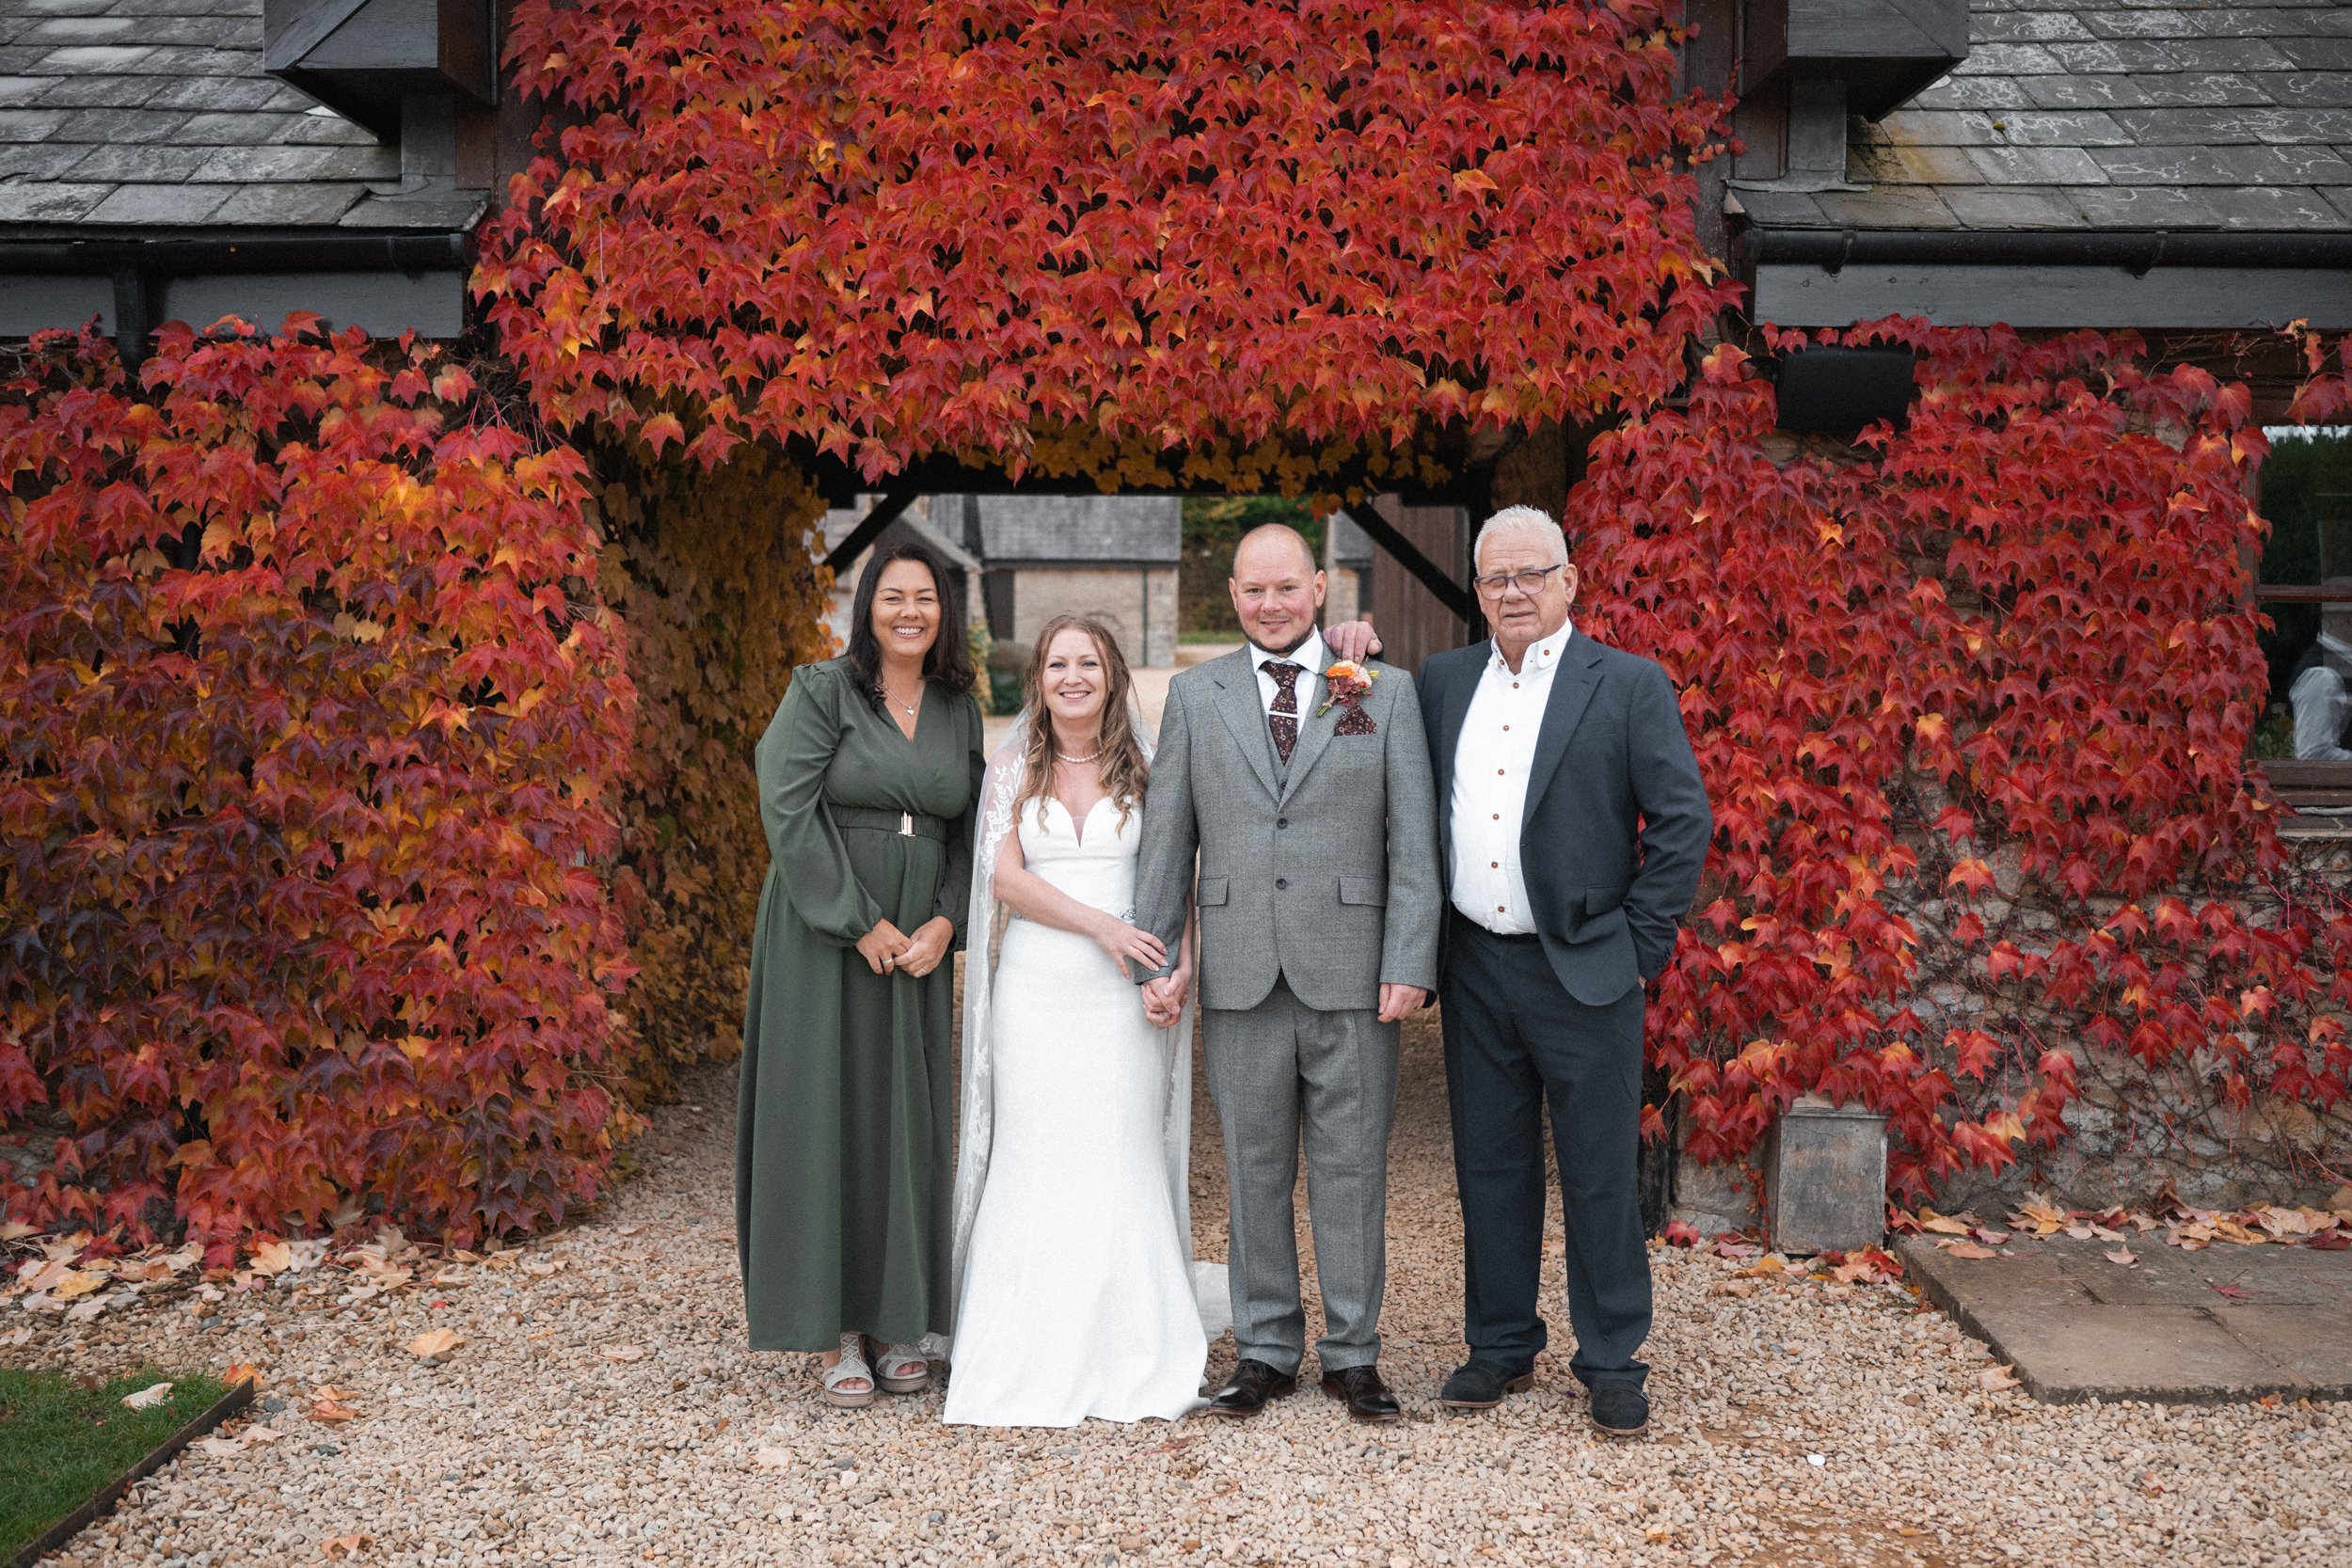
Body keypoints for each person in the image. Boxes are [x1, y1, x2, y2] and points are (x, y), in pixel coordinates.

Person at [1390, 504, 1709, 1439]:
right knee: (1490, 1164)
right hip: (1476, 965)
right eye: (1496, 577)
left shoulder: (1627, 684)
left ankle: (1611, 1355)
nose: (1514, 590)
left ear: (1569, 580)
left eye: (1532, 573)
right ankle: (1498, 1343)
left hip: (1585, 967)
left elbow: (1682, 822)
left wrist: (1637, 942)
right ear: (1478, 589)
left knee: (1600, 1169)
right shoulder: (1443, 681)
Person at [1131, 524, 1441, 1423]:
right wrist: (1155, 957)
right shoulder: (1194, 695)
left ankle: (1353, 1354)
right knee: (1253, 1167)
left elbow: (1412, 842)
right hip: (1237, 970)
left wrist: (1409, 959)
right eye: (1254, 591)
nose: (1271, 604)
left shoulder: (1382, 693)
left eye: (1287, 588)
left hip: (1351, 969)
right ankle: (1266, 1347)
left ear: (1318, 588)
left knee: (1351, 1168)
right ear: (1232, 595)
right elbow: (1168, 837)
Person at [942, 615, 1227, 1427]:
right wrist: (1100, 925)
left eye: (1090, 663)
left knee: (1118, 1150)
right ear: (1038, 677)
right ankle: (1023, 1349)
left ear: (1112, 676)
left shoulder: (1151, 763)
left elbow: (1184, 876)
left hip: (1125, 994)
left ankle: (1132, 1349)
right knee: (1035, 1155)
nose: (1073, 676)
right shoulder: (1012, 769)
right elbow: (1003, 876)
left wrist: (1180, 970)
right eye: (1058, 663)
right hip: (1039, 985)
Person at [736, 542, 985, 1408]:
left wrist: (946, 920)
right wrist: (856, 920)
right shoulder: (821, 690)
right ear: (868, 606)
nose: (910, 611)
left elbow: (973, 831)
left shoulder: (959, 706)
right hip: (826, 928)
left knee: (903, 1119)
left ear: (944, 611)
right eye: (893, 596)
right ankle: (838, 1329)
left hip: (918, 934)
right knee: (829, 1113)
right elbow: (786, 806)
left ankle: (894, 1316)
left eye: (926, 597)